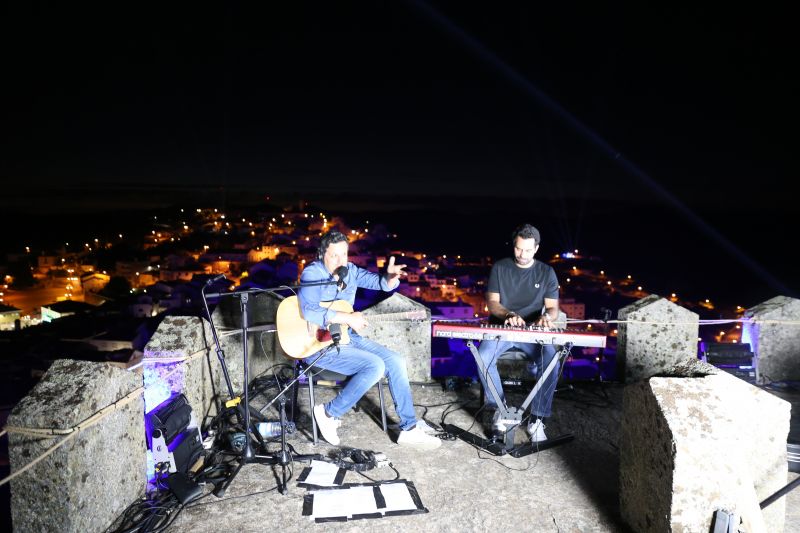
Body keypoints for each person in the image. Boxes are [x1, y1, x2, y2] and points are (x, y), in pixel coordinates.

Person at [297, 229, 441, 450]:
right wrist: (348, 317)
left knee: (395, 360)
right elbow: (309, 311)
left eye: (344, 255)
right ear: (321, 254)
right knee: (375, 365)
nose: (340, 260)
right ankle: (328, 412)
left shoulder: (351, 271)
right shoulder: (312, 274)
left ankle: (409, 429)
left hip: (347, 337)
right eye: (334, 255)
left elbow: (380, 284)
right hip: (319, 344)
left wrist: (390, 279)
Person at [476, 224, 560, 442]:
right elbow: (492, 303)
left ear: (537, 249)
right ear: (514, 246)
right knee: (483, 357)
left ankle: (538, 419)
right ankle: (500, 410)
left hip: (532, 331)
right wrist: (508, 315)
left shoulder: (547, 272)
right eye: (518, 249)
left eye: (528, 250)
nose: (522, 254)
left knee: (551, 359)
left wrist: (546, 318)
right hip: (500, 329)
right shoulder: (500, 268)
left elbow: (552, 307)